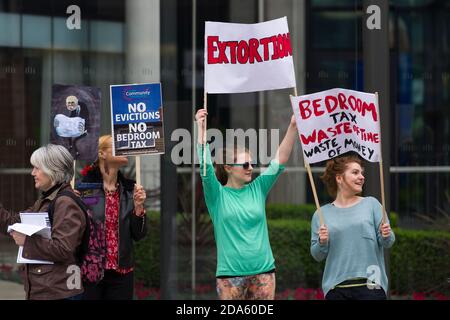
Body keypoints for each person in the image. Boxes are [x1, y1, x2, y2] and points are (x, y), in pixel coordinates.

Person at [195, 108, 298, 300]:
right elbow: (205, 167)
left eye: (251, 163)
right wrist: (201, 130)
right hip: (230, 275)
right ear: (228, 168)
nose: (250, 168)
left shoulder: (258, 188)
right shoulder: (217, 195)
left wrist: (293, 126)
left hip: (264, 272)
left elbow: (280, 160)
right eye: (245, 165)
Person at [0, 144, 86, 300]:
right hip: (49, 290)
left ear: (53, 170)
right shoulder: (46, 200)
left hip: (59, 292)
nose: (33, 173)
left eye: (37, 168)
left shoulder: (65, 203)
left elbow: (63, 249)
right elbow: (13, 222)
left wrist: (27, 241)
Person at [310, 154, 395, 300]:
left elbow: (388, 242)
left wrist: (386, 234)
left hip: (372, 285)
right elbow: (317, 255)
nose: (361, 177)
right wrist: (322, 242)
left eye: (362, 173)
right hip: (336, 288)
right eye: (355, 172)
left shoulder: (372, 204)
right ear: (339, 178)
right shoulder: (321, 214)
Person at [80, 135, 147, 300]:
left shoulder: (131, 190)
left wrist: (138, 207)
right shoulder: (85, 190)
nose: (124, 149)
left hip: (121, 272)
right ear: (102, 154)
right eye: (118, 146)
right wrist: (72, 202)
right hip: (91, 269)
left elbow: (138, 234)